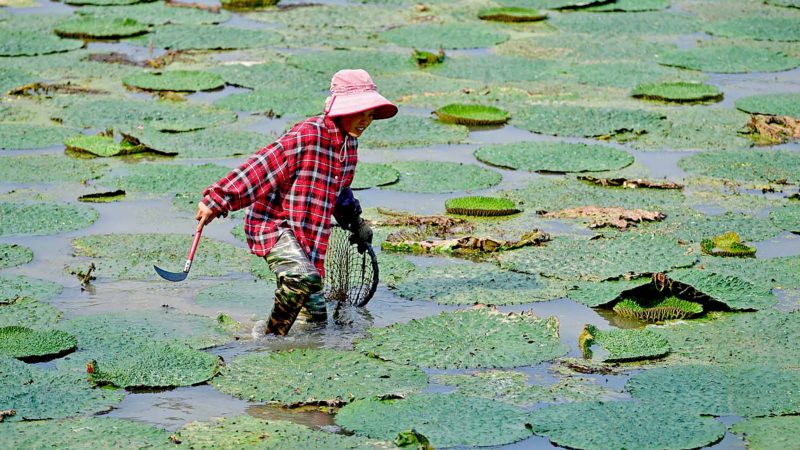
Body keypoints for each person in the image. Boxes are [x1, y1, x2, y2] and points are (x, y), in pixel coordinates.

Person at [195, 69, 397, 336]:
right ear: (341, 109)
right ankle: (265, 340)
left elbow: (340, 192)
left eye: (370, 114)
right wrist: (218, 200)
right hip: (275, 225)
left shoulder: (349, 146)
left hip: (307, 236)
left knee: (314, 322)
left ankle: (279, 350)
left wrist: (356, 223)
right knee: (301, 278)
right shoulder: (307, 135)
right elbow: (262, 167)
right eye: (360, 112)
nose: (365, 121)